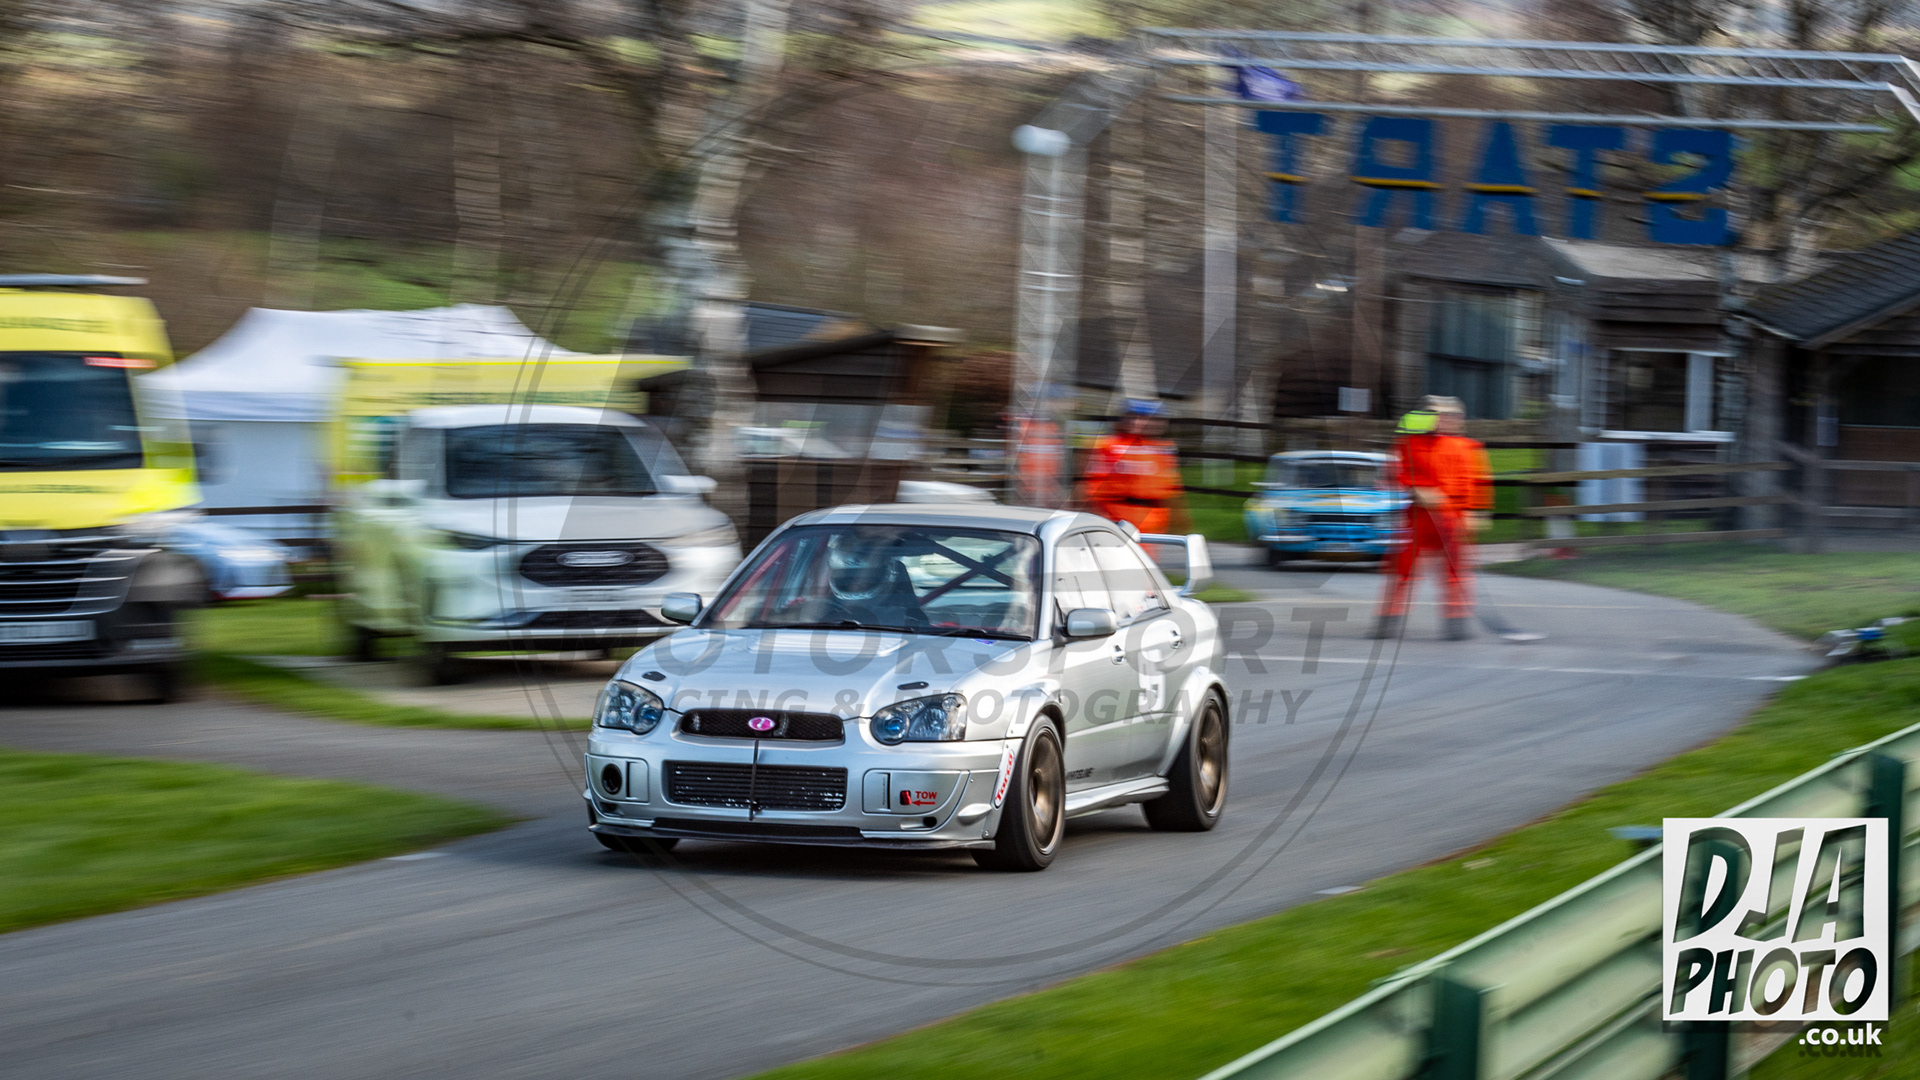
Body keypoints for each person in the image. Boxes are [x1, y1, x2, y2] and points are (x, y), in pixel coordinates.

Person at [1372, 395, 1491, 641]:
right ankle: (1387, 622)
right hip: (1418, 518)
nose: (1447, 420)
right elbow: (1393, 475)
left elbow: (1478, 482)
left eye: (1452, 415)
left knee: (1455, 572)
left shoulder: (1468, 447)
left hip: (1454, 518)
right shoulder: (1408, 444)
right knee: (1402, 569)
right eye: (1440, 415)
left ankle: (1456, 624)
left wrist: (1476, 511)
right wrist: (1413, 489)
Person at [1083, 398, 1184, 533]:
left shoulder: (1164, 449)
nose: (1136, 422)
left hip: (1152, 523)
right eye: (1131, 417)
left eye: (1143, 418)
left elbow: (1171, 489)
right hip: (1115, 523)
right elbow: (1091, 486)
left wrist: (1179, 520)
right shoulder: (1108, 446)